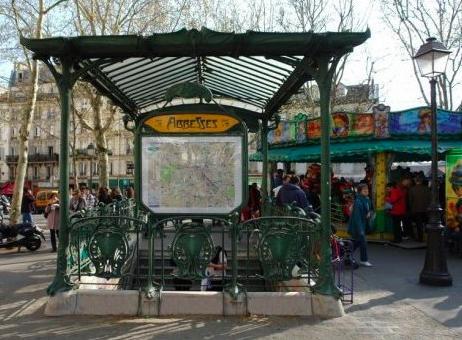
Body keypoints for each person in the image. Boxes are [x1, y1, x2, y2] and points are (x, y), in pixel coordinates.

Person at [348, 183, 373, 267]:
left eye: (367, 189)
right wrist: (360, 230)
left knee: (357, 242)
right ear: (360, 191)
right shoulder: (358, 202)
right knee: (362, 242)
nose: (366, 191)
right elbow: (357, 217)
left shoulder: (367, 199)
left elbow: (371, 209)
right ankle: (364, 259)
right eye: (364, 190)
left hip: (362, 224)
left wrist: (369, 213)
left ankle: (347, 253)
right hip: (358, 225)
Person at [408, 176, 431, 242]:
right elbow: (430, 198)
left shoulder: (412, 189)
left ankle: (420, 238)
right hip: (426, 209)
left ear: (415, 181)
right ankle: (429, 237)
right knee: (427, 223)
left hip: (416, 209)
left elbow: (410, 201)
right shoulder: (427, 188)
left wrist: (411, 209)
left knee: (419, 224)